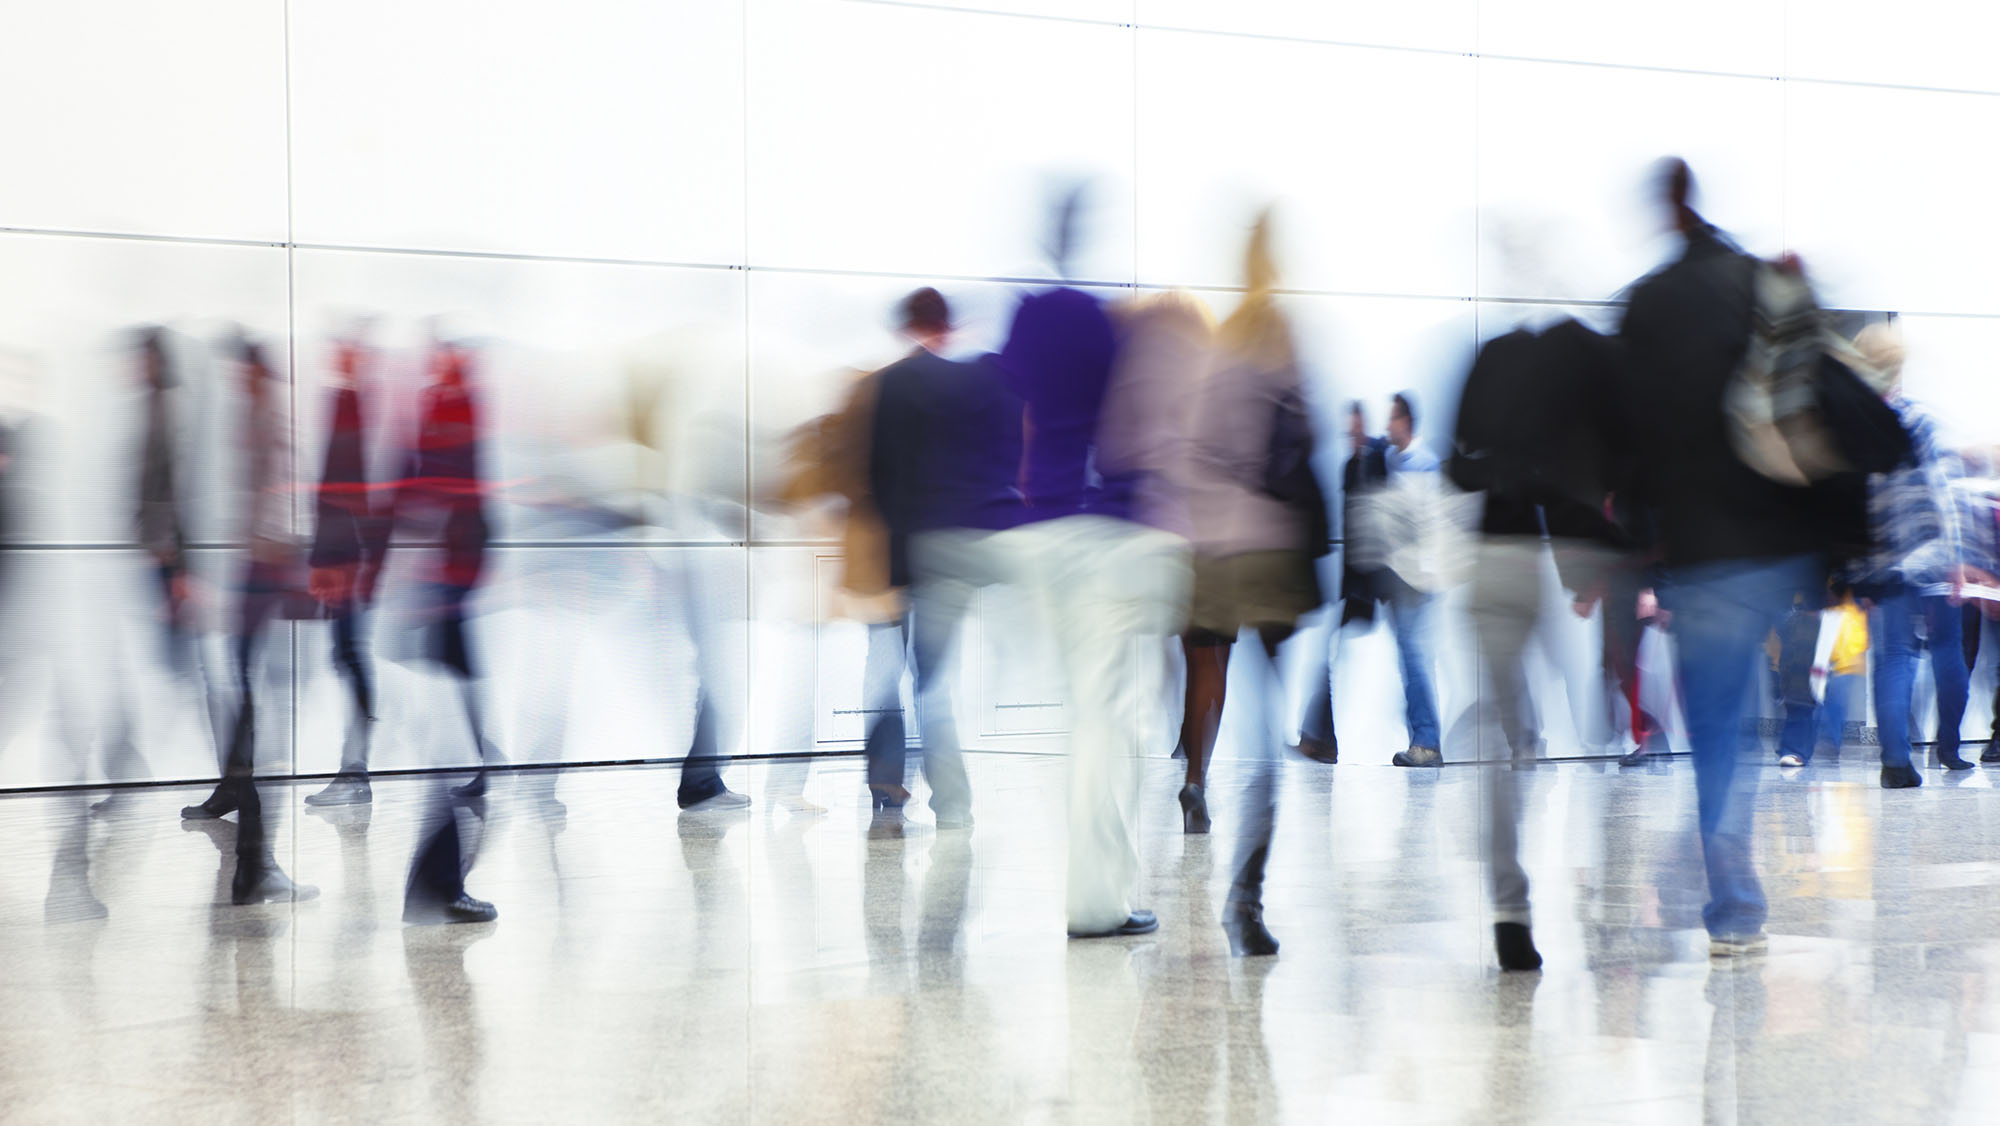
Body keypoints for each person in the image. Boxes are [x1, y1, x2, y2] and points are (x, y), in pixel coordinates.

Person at [1621, 157, 1839, 957]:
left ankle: (1736, 903)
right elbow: (1813, 398)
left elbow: (1632, 441)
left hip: (1702, 549)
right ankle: (1730, 876)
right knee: (1763, 709)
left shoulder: (1647, 306)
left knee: (1717, 730)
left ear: (1663, 210)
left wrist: (1645, 550)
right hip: (1780, 544)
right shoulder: (1760, 284)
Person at [995, 196, 1193, 939]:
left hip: (1043, 529)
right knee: (1106, 720)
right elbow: (1138, 428)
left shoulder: (1029, 317)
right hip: (1108, 530)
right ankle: (1098, 899)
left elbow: (1021, 418)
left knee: (1084, 715)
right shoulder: (1113, 325)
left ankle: (1094, 891)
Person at [1449, 316, 1630, 970]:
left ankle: (1509, 906)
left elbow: (1456, 465)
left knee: (1500, 738)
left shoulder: (1489, 359)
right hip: (1534, 563)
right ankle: (1541, 743)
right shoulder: (1564, 374)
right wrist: (1592, 568)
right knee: (1556, 711)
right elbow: (1574, 482)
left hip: (1486, 561)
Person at [1175, 212, 1324, 955]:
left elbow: (1195, 447)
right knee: (1265, 730)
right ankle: (1247, 896)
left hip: (1212, 548)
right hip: (1267, 548)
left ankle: (1196, 774)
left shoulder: (1221, 338)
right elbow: (1301, 439)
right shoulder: (1278, 333)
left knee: (1203, 668)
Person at [868, 287, 1023, 830]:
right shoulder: (993, 378)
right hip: (993, 541)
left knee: (931, 682)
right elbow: (1014, 454)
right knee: (1007, 663)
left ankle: (953, 803)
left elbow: (882, 479)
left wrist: (897, 565)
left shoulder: (895, 383)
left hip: (931, 545)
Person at [178, 334, 317, 905]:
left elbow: (273, 508)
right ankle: (253, 864)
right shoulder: (251, 422)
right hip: (251, 582)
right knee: (255, 717)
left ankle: (250, 853)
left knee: (254, 715)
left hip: (255, 584)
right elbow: (263, 510)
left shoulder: (255, 424)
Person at [387, 339, 499, 923]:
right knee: (448, 754)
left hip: (445, 599)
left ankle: (435, 886)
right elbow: (440, 505)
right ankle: (434, 889)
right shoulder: (445, 422)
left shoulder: (448, 419)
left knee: (451, 752)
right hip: (439, 601)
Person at [1844, 323, 1971, 780]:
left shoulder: (1851, 429)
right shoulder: (1918, 419)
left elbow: (1849, 508)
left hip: (1886, 567)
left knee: (1893, 659)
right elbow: (1944, 495)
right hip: (1931, 558)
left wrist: (1860, 573)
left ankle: (1896, 761)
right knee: (1947, 651)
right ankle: (1950, 749)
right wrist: (1955, 558)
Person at [303, 338, 388, 806]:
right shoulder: (350, 404)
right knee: (348, 658)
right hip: (347, 557)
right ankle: (354, 769)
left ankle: (355, 771)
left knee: (351, 658)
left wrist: (339, 563)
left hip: (350, 559)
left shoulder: (357, 407)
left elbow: (346, 495)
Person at [1295, 402, 1391, 763]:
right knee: (1326, 659)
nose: (1352, 438)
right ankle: (1320, 740)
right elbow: (1352, 529)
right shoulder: (1350, 467)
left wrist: (1371, 584)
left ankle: (1320, 741)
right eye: (1348, 432)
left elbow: (1376, 526)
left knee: (1328, 661)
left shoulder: (1375, 463)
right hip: (1353, 581)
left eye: (1356, 431)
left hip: (1368, 582)